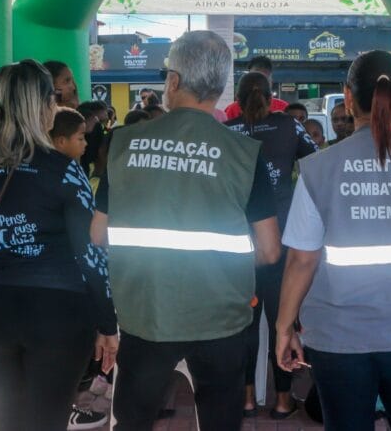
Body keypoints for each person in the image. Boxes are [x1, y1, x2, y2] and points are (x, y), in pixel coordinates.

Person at [275, 50, 391, 430]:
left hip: (337, 339)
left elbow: (302, 260)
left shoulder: (318, 168)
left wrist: (284, 327)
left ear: (348, 98)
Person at [100, 31, 282, 431]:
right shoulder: (243, 153)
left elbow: (98, 234)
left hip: (145, 314)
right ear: (218, 87)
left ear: (174, 81)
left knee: (132, 422)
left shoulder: (124, 143)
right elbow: (270, 250)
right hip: (222, 318)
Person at [0, 60, 118, 431]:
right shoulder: (63, 168)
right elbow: (91, 254)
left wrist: (0, 264)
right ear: (42, 105)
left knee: (4, 419)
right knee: (46, 422)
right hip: (57, 314)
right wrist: (108, 322)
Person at [225, 72, 318, 419]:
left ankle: (247, 399)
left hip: (240, 243)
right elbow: (316, 165)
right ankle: (282, 400)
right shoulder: (289, 126)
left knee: (245, 325)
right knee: (284, 319)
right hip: (283, 238)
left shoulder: (226, 132)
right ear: (271, 96)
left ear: (237, 100)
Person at [224, 56, 289, 119]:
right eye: (252, 79)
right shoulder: (231, 110)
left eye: (262, 81)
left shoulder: (284, 108)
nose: (257, 85)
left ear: (271, 82)